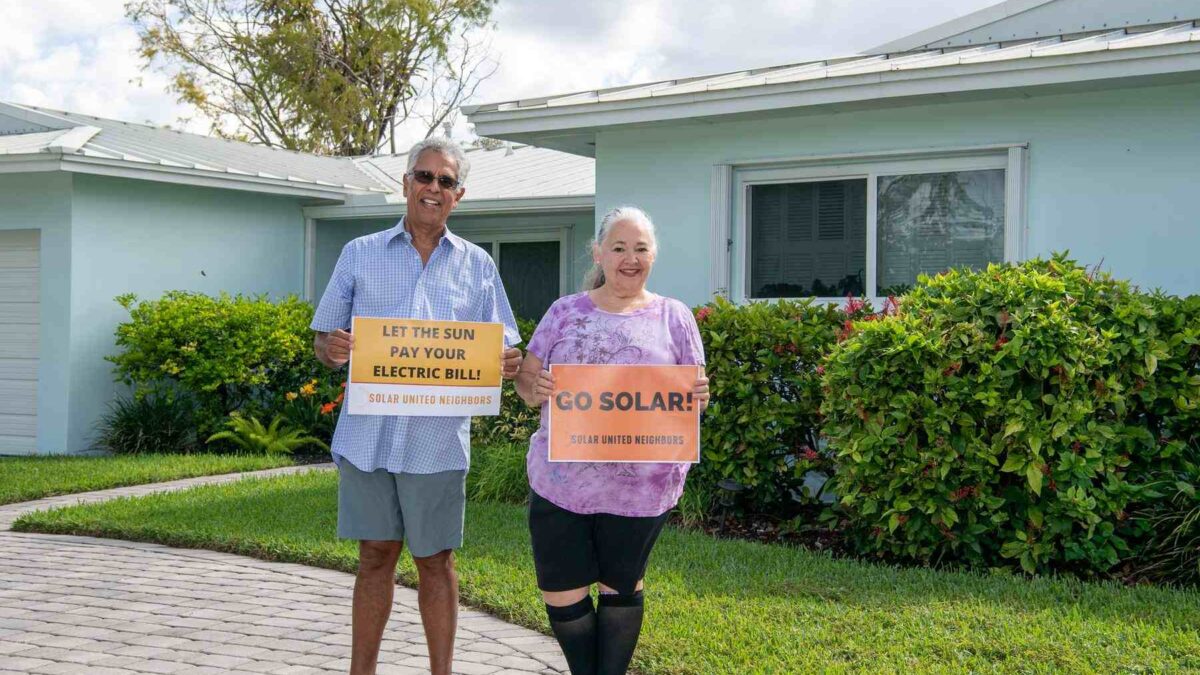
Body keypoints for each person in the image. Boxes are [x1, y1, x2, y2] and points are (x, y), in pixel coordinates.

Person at [311, 137, 523, 675]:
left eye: (444, 181)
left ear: (459, 194)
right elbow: (323, 341)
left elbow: (503, 347)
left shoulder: (478, 266)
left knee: (436, 561)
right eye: (423, 177)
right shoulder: (358, 253)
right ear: (405, 184)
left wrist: (507, 361)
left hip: (437, 441)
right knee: (374, 556)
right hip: (369, 437)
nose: (433, 188)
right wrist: (332, 349)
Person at [514, 206, 709, 675]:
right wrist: (533, 388)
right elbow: (525, 381)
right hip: (562, 483)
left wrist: (698, 397)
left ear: (654, 255)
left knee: (622, 588)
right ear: (599, 252)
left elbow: (690, 397)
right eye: (619, 247)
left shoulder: (675, 318)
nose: (630, 258)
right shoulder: (564, 312)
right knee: (561, 590)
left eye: (640, 248)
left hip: (640, 491)